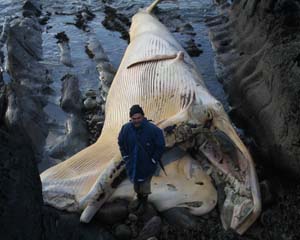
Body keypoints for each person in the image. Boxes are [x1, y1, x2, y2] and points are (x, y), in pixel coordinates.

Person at [118, 104, 165, 212]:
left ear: (143, 116)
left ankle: (144, 203)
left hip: (147, 165)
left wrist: (154, 159)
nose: (136, 121)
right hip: (133, 165)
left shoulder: (153, 129)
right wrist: (125, 156)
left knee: (145, 187)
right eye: (134, 119)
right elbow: (121, 142)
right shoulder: (125, 129)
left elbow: (161, 145)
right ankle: (139, 199)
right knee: (136, 185)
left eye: (139, 118)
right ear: (130, 118)